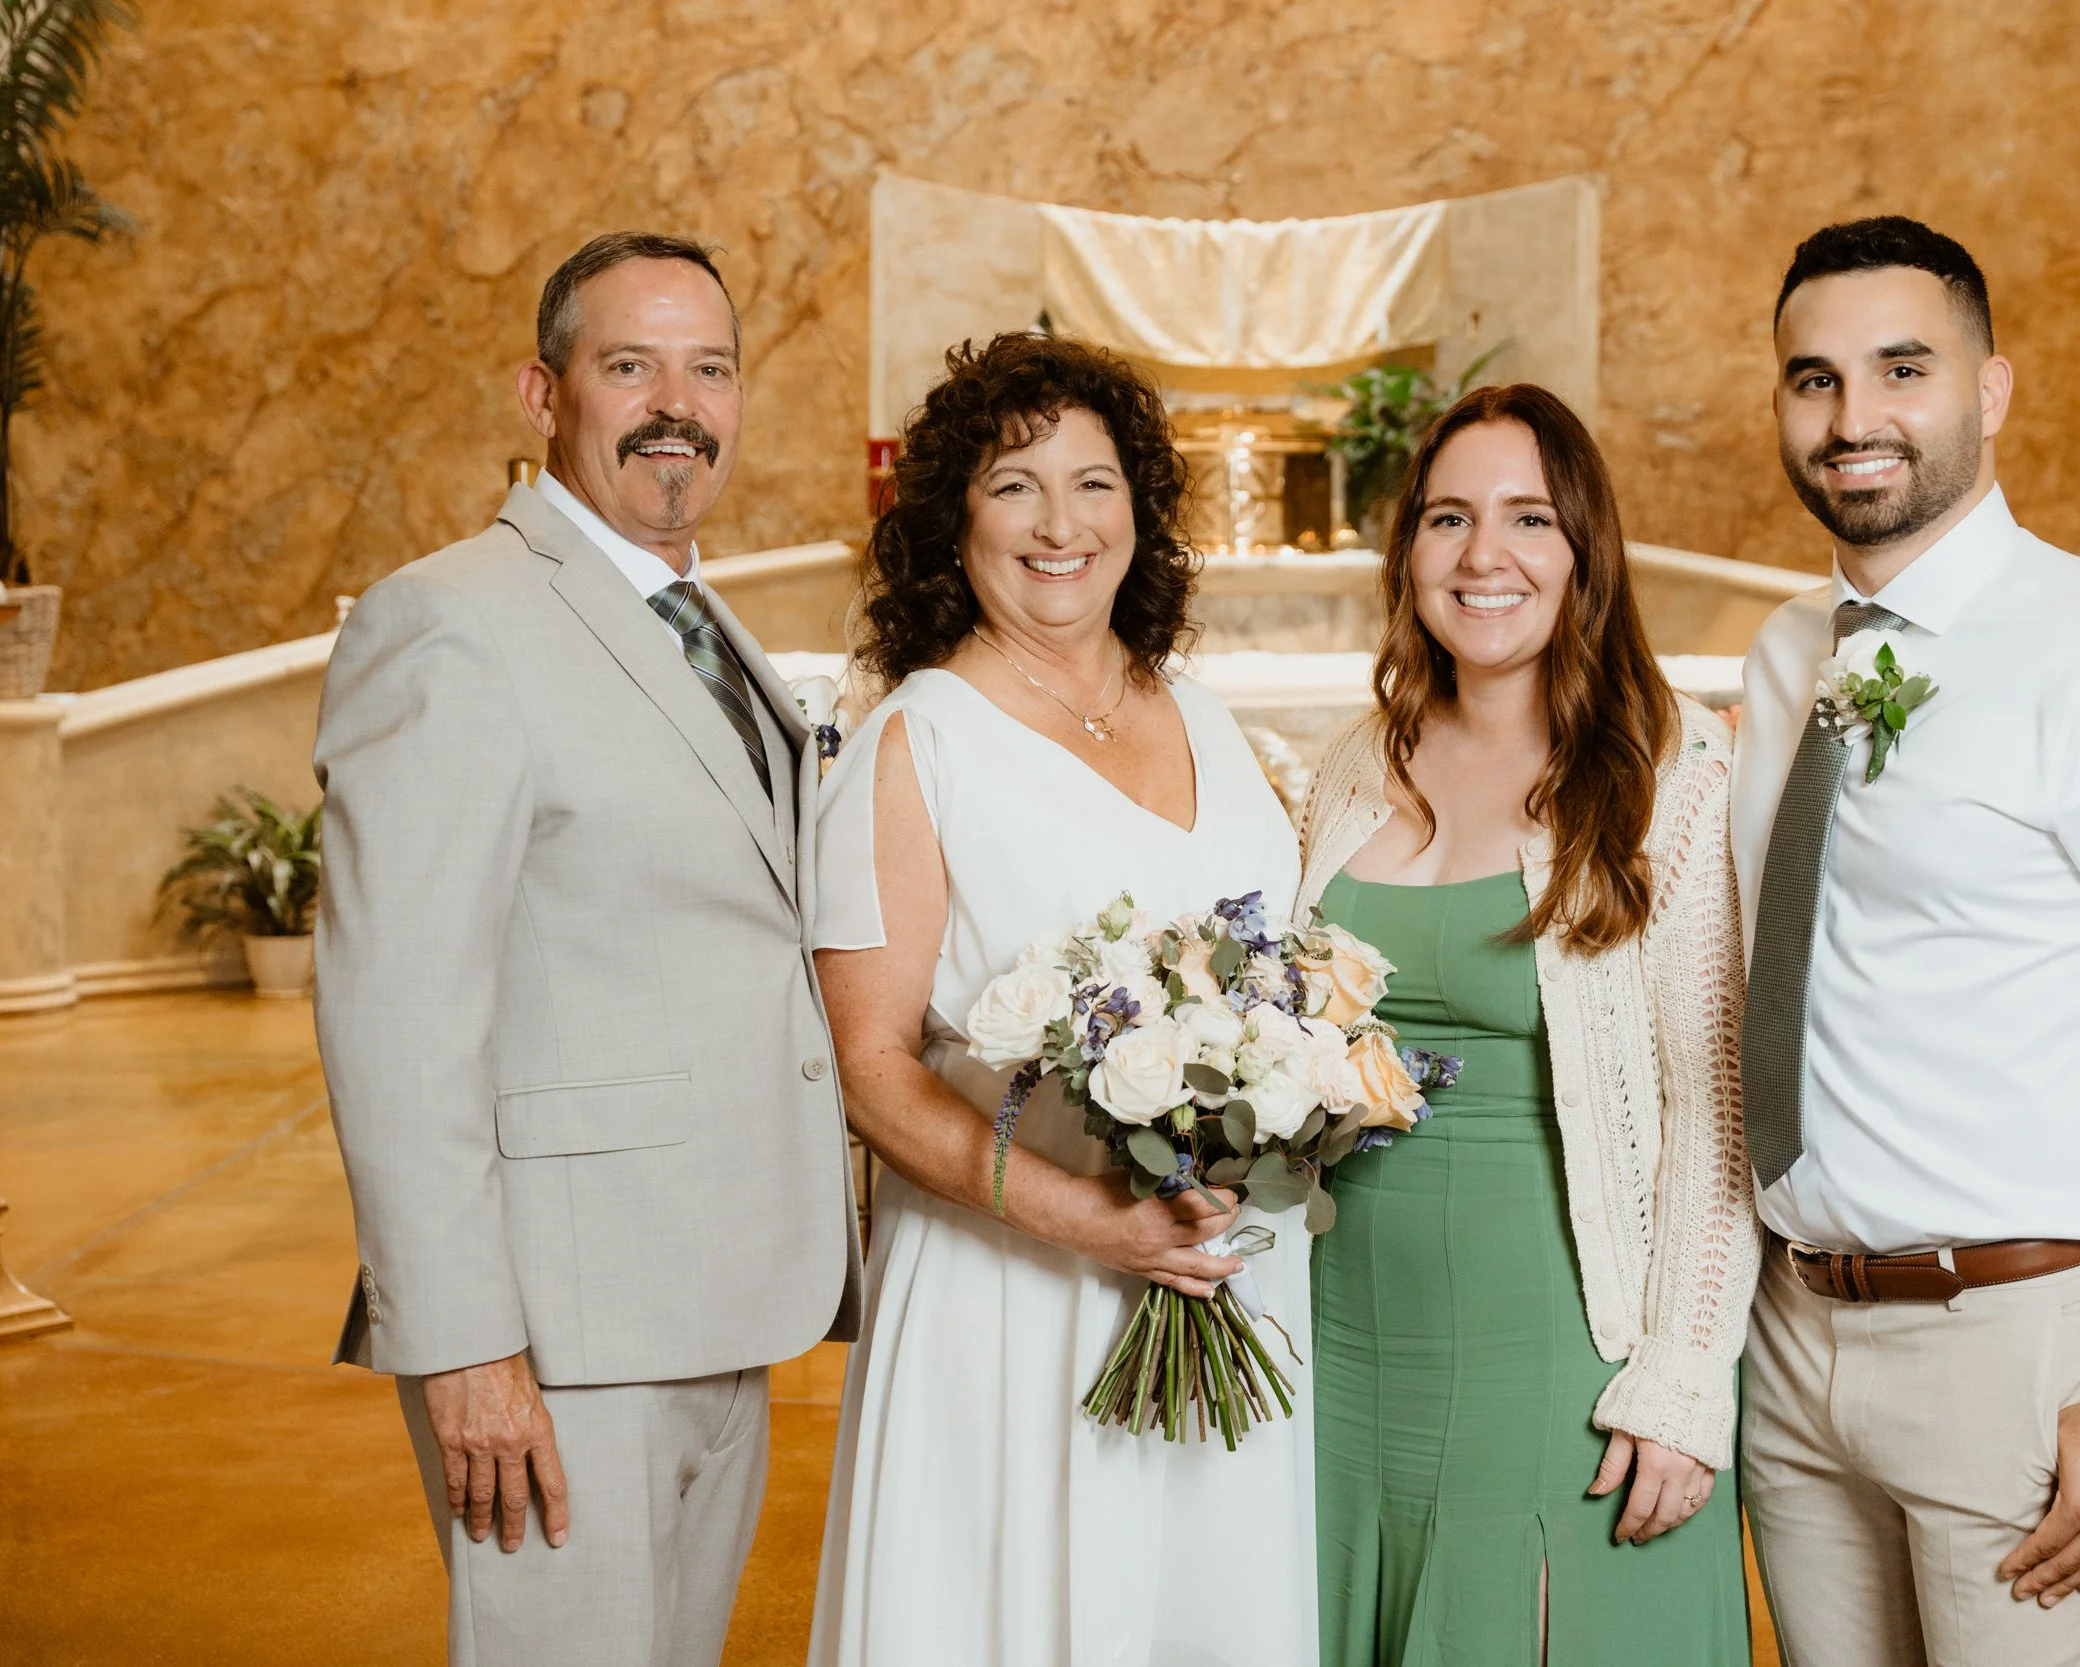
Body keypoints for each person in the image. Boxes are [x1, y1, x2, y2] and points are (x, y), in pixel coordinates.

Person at [1733, 216, 2080, 1665]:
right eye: (1815, 379)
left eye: (1902, 368)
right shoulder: (1787, 653)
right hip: (1793, 1336)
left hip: (2020, 1343)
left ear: (1991, 392)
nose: (1855, 417)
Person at [313, 231, 861, 1666]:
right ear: (540, 394)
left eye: (710, 367)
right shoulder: (449, 622)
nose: (676, 402)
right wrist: (465, 1345)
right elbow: (396, 1022)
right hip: (554, 1337)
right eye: (630, 364)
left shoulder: (705, 622)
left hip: (722, 1292)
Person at [805, 332, 1316, 1667]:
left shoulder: (1201, 711)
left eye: (1094, 483)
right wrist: (1091, 1218)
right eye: (1014, 483)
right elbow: (869, 1066)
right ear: (950, 520)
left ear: (1140, 512)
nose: (1059, 523)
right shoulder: (912, 743)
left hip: (1230, 1276)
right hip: (1013, 1293)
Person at [1293, 384, 1756, 1665]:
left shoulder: (1670, 774)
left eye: (1526, 518)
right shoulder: (1346, 767)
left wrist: (1678, 1377)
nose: (1481, 555)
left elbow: (1715, 1115)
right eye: (1447, 517)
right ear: (1407, 555)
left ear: (1583, 552)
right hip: (1342, 1334)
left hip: (1559, 1333)